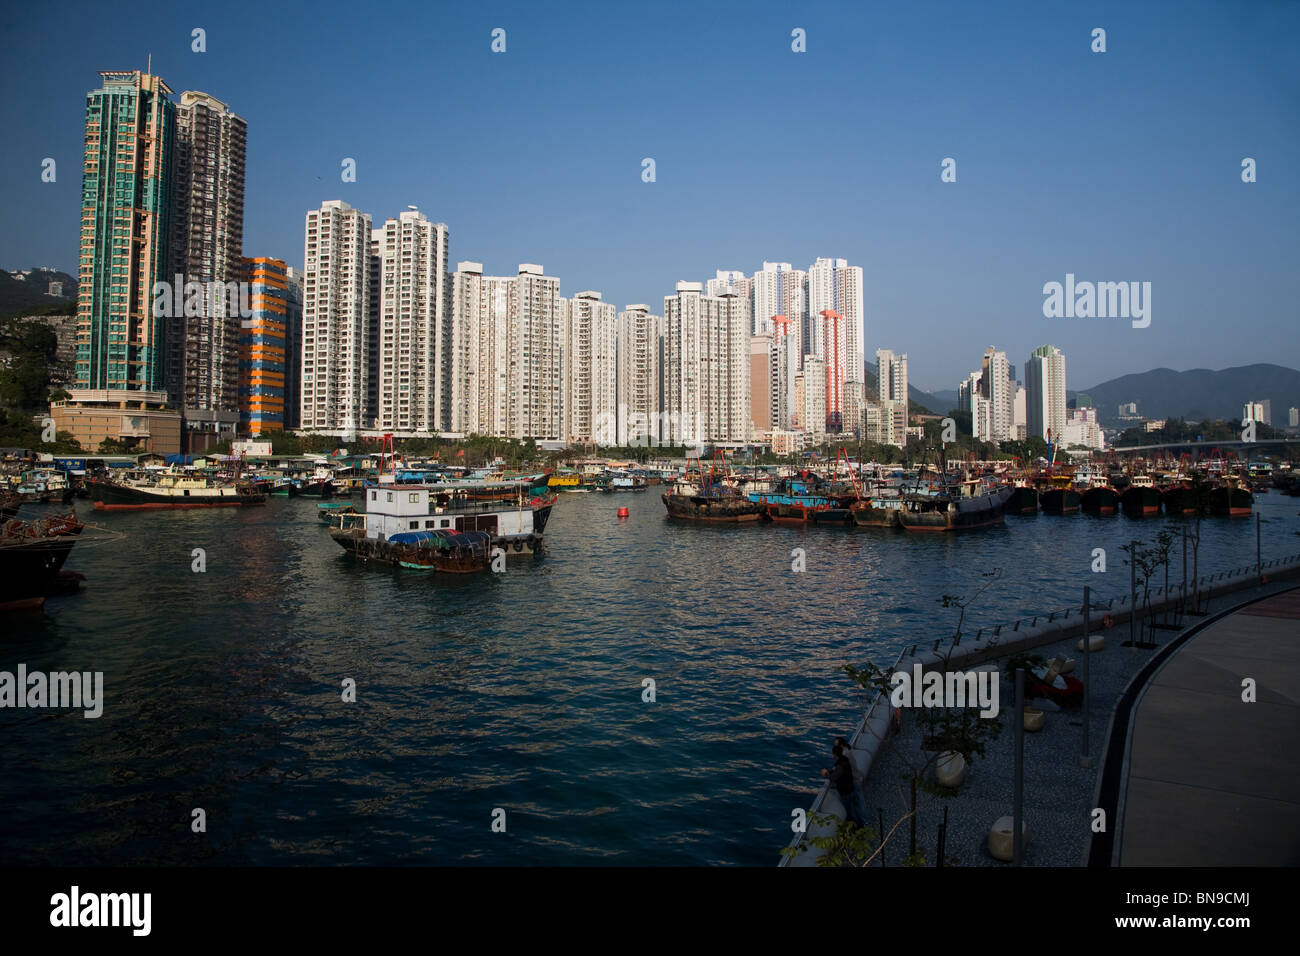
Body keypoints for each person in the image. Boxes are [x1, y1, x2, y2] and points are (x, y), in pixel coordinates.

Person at [821, 743, 866, 829]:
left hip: (845, 792)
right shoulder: (845, 760)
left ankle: (857, 827)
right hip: (850, 787)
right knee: (856, 808)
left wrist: (826, 773)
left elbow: (833, 777)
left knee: (850, 811)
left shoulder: (840, 766)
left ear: (834, 754)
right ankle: (860, 824)